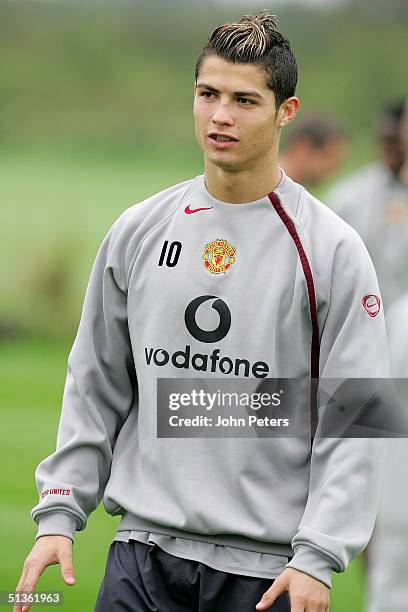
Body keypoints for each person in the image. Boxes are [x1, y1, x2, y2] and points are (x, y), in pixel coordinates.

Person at [15, 11, 388, 612]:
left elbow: (361, 414)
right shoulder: (138, 230)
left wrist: (320, 556)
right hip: (140, 554)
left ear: (285, 113)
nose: (220, 115)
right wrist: (60, 511)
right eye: (208, 94)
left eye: (244, 100)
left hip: (267, 575)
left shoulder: (332, 249)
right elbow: (95, 380)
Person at [327, 99, 408, 310]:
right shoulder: (349, 196)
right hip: (365, 318)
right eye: (385, 142)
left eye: (397, 143)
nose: (390, 151)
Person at [280, 114, 346, 189]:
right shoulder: (268, 191)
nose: (333, 168)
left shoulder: (294, 195)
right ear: (303, 149)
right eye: (329, 156)